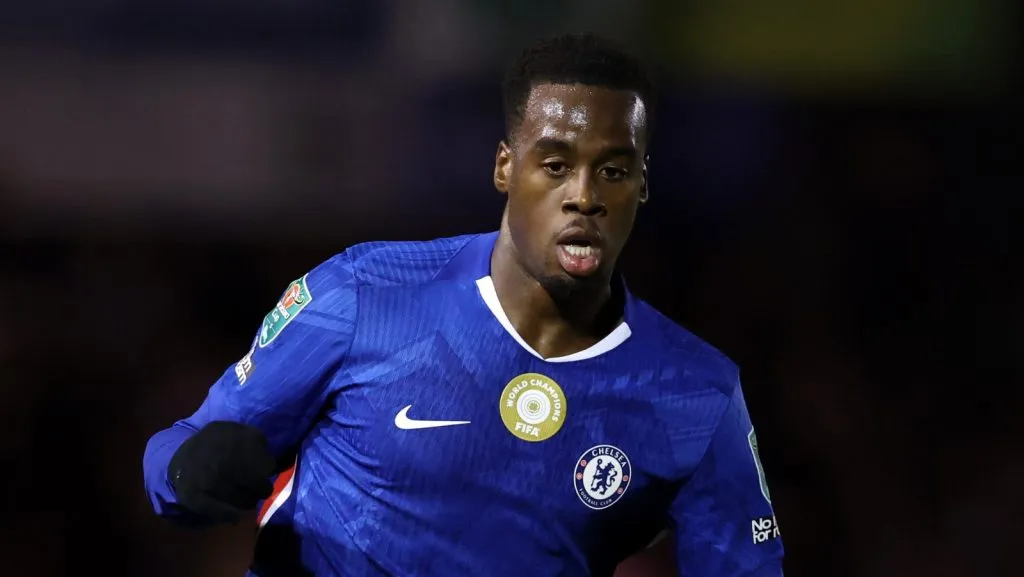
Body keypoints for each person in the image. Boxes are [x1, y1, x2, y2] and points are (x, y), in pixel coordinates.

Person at [142, 33, 784, 577]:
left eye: (612, 171)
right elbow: (181, 449)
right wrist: (189, 474)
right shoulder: (364, 294)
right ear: (507, 167)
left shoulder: (697, 394)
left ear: (642, 185)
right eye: (555, 165)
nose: (583, 196)